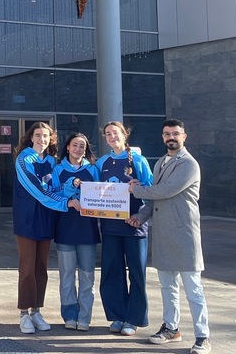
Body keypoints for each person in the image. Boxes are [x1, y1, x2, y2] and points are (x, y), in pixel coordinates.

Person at [127, 118, 211, 354]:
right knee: (167, 286)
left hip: (184, 234)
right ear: (162, 137)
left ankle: (203, 336)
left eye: (175, 133)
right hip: (163, 235)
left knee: (193, 289)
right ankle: (171, 328)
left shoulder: (188, 164)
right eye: (166, 134)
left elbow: (166, 191)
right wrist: (140, 217)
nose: (170, 137)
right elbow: (155, 200)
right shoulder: (162, 162)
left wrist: (136, 190)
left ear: (184, 136)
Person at [13, 122, 72, 334]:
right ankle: (23, 314)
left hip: (46, 219)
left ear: (51, 139)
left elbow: (55, 187)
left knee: (41, 269)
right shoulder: (23, 159)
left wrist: (71, 187)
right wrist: (65, 203)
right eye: (38, 135)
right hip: (27, 220)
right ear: (31, 137)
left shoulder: (51, 161)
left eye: (45, 136)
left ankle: (36, 310)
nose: (42, 139)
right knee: (27, 268)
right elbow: (37, 190)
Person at [96, 121, 153, 336]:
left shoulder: (138, 160)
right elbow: (94, 189)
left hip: (134, 226)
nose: (112, 137)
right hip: (110, 226)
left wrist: (140, 216)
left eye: (115, 133)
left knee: (137, 273)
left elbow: (150, 190)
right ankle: (117, 316)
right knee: (112, 272)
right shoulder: (102, 162)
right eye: (108, 134)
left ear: (124, 134)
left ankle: (134, 318)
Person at [49, 133, 99, 330]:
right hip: (65, 229)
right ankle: (70, 315)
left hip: (87, 230)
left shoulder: (92, 170)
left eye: (82, 146)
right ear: (67, 147)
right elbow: (51, 193)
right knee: (67, 275)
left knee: (87, 275)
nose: (78, 149)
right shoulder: (58, 170)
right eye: (75, 145)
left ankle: (85, 317)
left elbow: (101, 193)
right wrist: (68, 190)